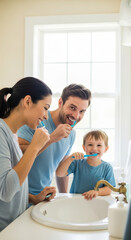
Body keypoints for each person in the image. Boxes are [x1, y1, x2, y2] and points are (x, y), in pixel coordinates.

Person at [0, 77, 56, 231]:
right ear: (27, 101)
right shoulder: (0, 133)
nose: (46, 115)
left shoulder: (12, 134)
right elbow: (5, 190)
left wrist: (33, 198)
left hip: (14, 225)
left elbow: (13, 184)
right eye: (45, 107)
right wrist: (35, 147)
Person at [17, 84, 91, 196]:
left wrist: (64, 196)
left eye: (82, 111)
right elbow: (17, 156)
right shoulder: (37, 119)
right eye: (72, 108)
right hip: (21, 196)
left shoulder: (71, 134)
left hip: (43, 197)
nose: (76, 116)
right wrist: (51, 138)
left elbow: (62, 168)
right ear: (60, 102)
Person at [56, 130, 116, 199]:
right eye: (90, 145)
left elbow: (109, 189)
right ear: (84, 147)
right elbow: (59, 174)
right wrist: (70, 158)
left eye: (99, 145)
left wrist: (97, 192)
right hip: (75, 201)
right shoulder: (77, 163)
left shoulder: (107, 167)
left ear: (106, 149)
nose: (94, 148)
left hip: (96, 202)